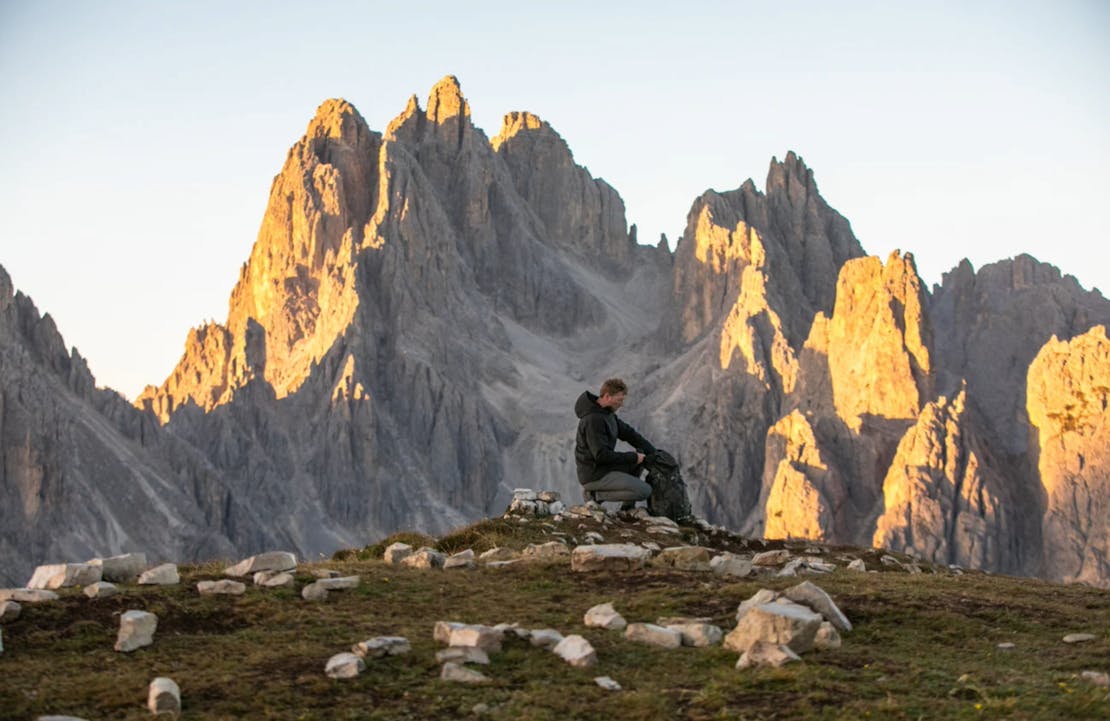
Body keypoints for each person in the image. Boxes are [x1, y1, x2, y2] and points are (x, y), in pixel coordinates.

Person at [574, 378, 656, 507]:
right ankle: (595, 495)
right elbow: (601, 456)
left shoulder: (607, 414)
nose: (621, 404)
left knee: (641, 456)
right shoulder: (593, 420)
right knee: (644, 491)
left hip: (605, 468)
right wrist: (633, 457)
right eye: (619, 400)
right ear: (607, 396)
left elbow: (629, 434)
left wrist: (653, 452)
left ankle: (627, 509)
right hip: (594, 474)